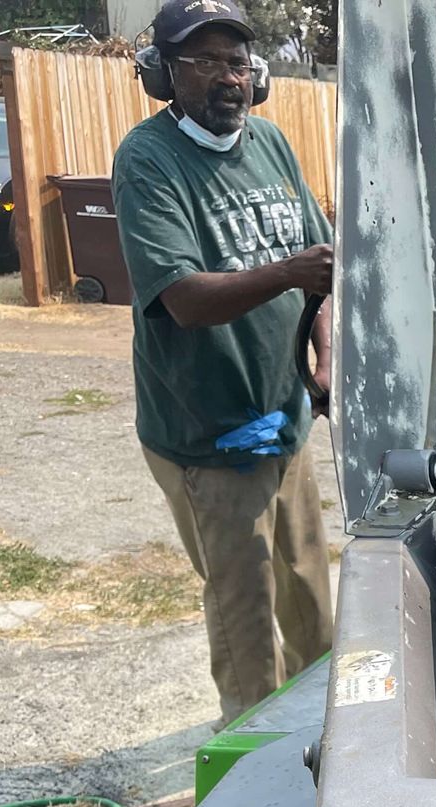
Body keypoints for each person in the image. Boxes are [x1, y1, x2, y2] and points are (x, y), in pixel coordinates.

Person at [113, 0, 335, 725]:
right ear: (163, 73)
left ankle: (325, 741)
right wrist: (287, 272)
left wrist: (325, 360)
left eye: (237, 62)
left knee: (313, 602)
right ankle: (252, 761)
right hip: (208, 436)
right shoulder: (149, 161)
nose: (227, 77)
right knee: (247, 627)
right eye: (204, 61)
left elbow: (319, 269)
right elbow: (182, 299)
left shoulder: (270, 143)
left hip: (285, 420)